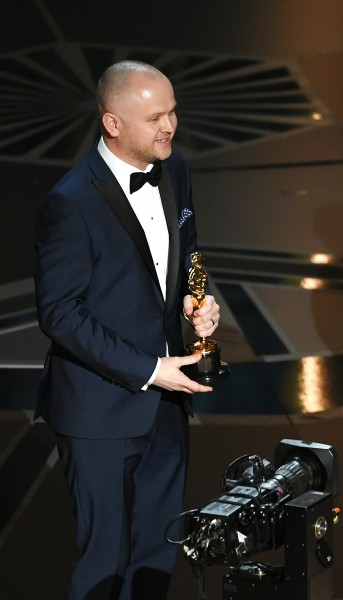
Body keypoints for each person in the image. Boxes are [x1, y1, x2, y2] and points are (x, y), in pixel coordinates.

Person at [34, 60, 220, 600]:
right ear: (112, 124)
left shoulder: (175, 168)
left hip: (166, 408)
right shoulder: (70, 203)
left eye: (173, 112)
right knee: (104, 562)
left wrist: (194, 299)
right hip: (100, 414)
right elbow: (61, 313)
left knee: (156, 555)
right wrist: (150, 369)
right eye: (155, 117)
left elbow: (187, 250)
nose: (170, 125)